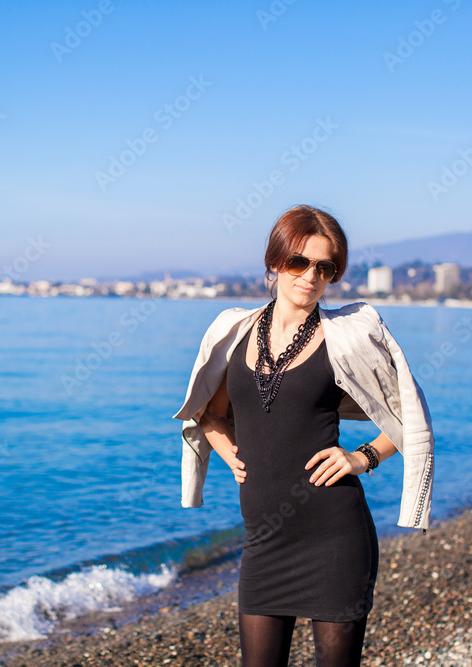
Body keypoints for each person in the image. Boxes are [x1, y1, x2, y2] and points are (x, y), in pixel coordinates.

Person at [173, 205, 435, 667]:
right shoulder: (234, 331)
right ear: (275, 263)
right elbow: (210, 414)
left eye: (325, 267)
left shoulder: (349, 334)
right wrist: (227, 451)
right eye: (299, 262)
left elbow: (409, 418)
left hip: (334, 537)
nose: (311, 276)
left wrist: (363, 457)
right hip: (263, 543)